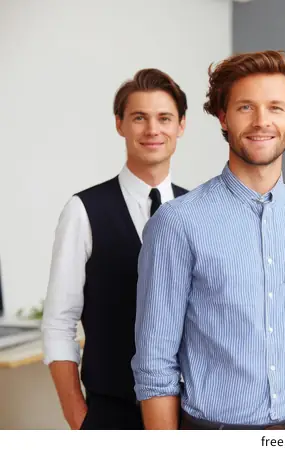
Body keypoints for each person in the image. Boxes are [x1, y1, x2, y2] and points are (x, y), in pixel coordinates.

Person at [131, 50, 285, 431]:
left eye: (276, 108)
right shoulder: (176, 223)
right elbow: (155, 363)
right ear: (223, 117)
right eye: (246, 107)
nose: (261, 121)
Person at [41, 68, 189, 430]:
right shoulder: (83, 210)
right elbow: (59, 323)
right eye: (139, 118)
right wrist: (78, 417)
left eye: (164, 118)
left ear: (181, 126)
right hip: (111, 415)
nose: (153, 130)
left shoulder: (198, 211)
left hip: (191, 413)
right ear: (120, 124)